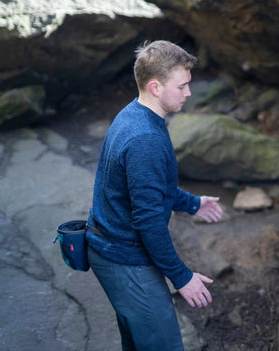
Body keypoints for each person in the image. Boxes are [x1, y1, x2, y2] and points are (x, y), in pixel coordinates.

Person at [86, 40, 224, 351]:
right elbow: (148, 221)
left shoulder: (135, 113)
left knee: (137, 343)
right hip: (123, 257)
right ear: (155, 87)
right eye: (182, 86)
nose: (189, 93)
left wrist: (193, 204)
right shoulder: (145, 138)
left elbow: (150, 188)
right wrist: (182, 277)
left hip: (114, 248)